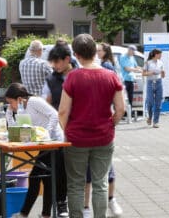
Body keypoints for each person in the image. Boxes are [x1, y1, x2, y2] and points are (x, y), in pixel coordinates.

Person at [58, 34, 125, 218]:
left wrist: (67, 131)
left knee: (76, 184)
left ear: (76, 54)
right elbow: (120, 109)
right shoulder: (111, 76)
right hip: (103, 137)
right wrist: (111, 124)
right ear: (95, 52)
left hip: (76, 139)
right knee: (100, 183)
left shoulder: (72, 77)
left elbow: (63, 111)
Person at [5, 83, 64, 218]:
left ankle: (26, 213)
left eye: (11, 102)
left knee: (39, 176)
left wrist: (46, 133)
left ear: (20, 98)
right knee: (43, 177)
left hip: (54, 142)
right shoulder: (21, 110)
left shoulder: (33, 102)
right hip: (44, 144)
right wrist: (9, 113)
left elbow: (54, 114)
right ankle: (41, 214)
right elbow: (16, 130)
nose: (11, 106)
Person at [83, 43, 122, 218]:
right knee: (102, 173)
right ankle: (103, 204)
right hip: (101, 130)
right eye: (96, 50)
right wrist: (112, 123)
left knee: (94, 174)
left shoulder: (106, 69)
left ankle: (89, 207)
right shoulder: (101, 70)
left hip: (95, 130)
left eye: (100, 50)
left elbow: (119, 106)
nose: (98, 53)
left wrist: (112, 123)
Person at [42, 42, 78, 217]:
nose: (54, 66)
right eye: (52, 62)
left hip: (80, 128)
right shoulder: (51, 79)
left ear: (67, 59)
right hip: (59, 131)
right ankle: (61, 203)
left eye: (56, 62)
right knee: (60, 168)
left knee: (79, 170)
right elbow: (46, 103)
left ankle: (81, 206)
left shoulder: (80, 74)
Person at [143, 48, 165, 128]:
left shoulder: (161, 62)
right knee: (150, 102)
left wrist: (163, 73)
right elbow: (143, 73)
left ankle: (156, 122)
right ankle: (150, 117)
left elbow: (162, 76)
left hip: (159, 82)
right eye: (160, 54)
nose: (161, 56)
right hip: (150, 83)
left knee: (158, 104)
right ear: (155, 54)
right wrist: (151, 72)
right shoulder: (147, 63)